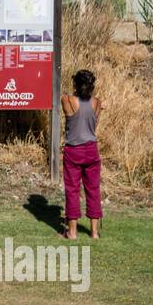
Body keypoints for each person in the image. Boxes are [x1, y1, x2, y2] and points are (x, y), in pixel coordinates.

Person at [61, 69, 103, 239]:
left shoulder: (68, 100)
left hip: (74, 150)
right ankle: (94, 233)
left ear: (76, 85)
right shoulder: (97, 103)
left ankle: (72, 232)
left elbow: (64, 98)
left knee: (72, 190)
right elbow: (95, 125)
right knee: (93, 189)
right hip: (91, 149)